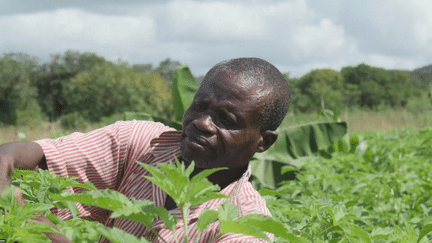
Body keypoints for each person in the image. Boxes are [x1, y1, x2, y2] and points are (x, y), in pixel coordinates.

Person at [0, 57, 291, 242]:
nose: (202, 123)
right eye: (200, 106)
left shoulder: (242, 226)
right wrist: (4, 162)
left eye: (227, 120)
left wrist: (38, 225)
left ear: (263, 142)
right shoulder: (141, 142)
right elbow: (40, 155)